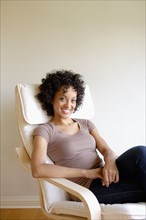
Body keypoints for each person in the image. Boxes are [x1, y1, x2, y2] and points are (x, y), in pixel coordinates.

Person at [31, 69, 146, 204]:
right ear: (51, 99)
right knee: (141, 186)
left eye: (73, 100)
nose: (69, 105)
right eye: (62, 98)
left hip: (106, 174)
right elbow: (38, 169)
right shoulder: (45, 130)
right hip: (88, 189)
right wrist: (87, 173)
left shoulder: (85, 123)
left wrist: (110, 161)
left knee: (140, 151)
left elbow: (106, 149)